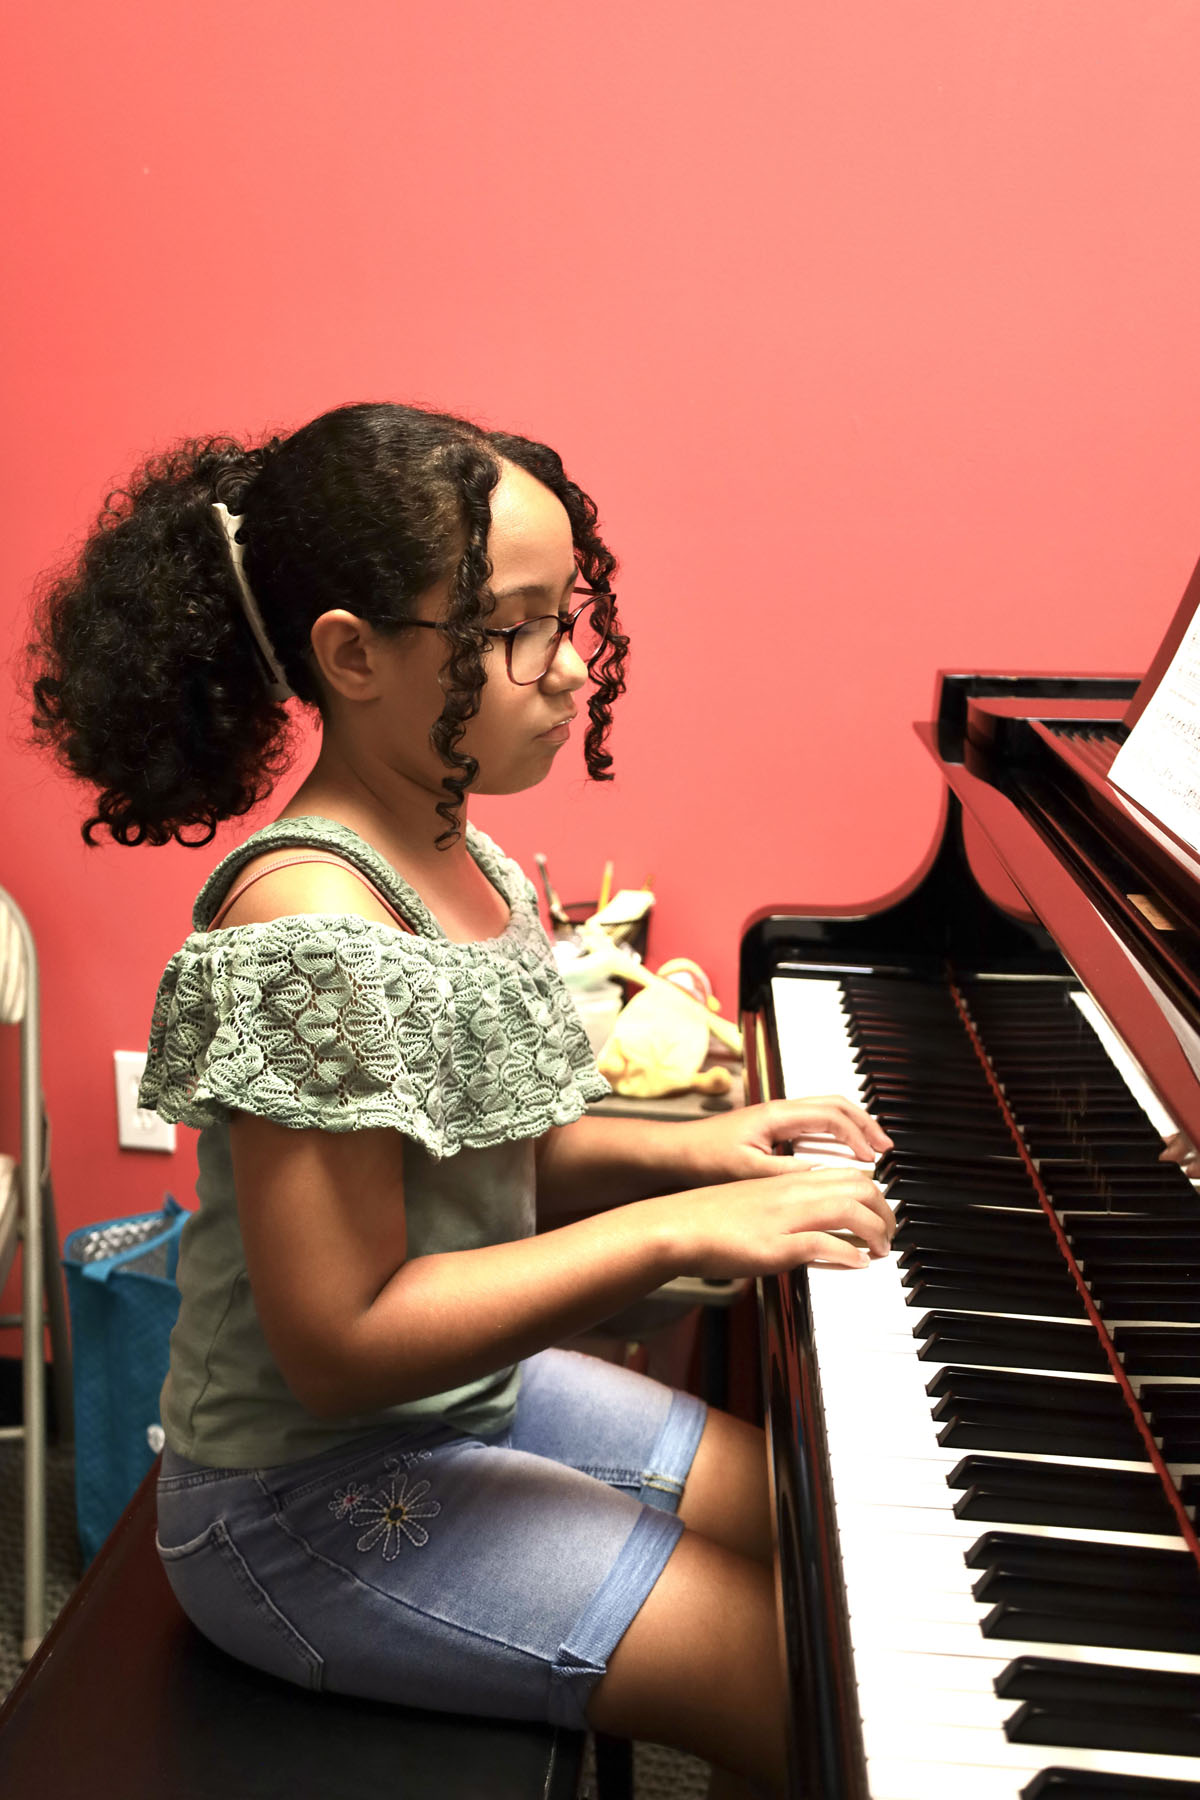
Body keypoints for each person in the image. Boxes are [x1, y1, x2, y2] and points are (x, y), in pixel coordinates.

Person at [28, 401, 895, 1798]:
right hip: (296, 1507)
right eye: (517, 627)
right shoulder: (307, 934)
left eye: (574, 618)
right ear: (354, 658)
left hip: (461, 1404)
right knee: (802, 1667)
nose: (569, 670)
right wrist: (678, 1236)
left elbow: (514, 1157)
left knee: (830, 1528)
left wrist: (701, 1158)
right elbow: (343, 1341)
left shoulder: (468, 861)